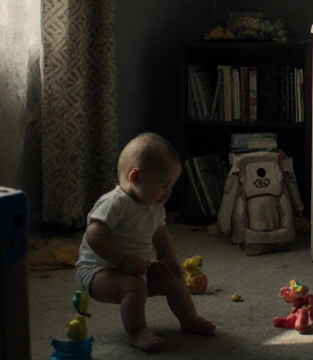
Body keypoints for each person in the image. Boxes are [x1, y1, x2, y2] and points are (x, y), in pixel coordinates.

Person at [76, 132, 216, 352]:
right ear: (135, 177)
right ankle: (137, 330)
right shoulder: (115, 203)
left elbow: (160, 235)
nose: (168, 193)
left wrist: (167, 257)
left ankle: (189, 318)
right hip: (98, 271)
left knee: (174, 276)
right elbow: (94, 236)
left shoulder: (154, 206)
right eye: (163, 185)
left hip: (135, 267)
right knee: (134, 286)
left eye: (171, 187)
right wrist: (122, 261)